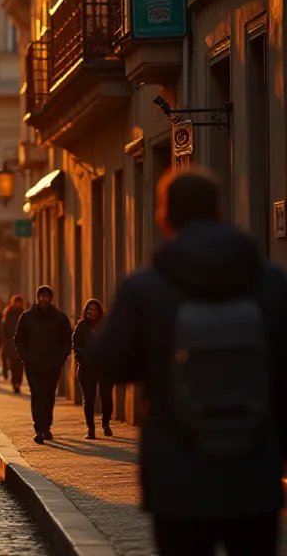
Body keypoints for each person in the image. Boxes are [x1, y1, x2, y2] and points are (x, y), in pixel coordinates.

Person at [89, 169, 287, 555]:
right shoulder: (272, 284)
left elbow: (106, 361)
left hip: (176, 478)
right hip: (254, 473)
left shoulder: (144, 288)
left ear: (164, 219)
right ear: (220, 211)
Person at [13, 285, 71, 444]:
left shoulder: (60, 318)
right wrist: (26, 357)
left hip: (53, 365)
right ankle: (39, 428)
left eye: (47, 297)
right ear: (37, 298)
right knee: (37, 394)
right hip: (33, 365)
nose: (44, 299)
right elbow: (18, 339)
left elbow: (67, 340)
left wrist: (61, 358)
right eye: (42, 296)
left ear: (51, 299)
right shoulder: (27, 317)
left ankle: (47, 426)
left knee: (49, 395)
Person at [72, 299, 111, 440]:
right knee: (89, 399)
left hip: (104, 368)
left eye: (95, 309)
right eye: (89, 309)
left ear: (99, 311)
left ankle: (106, 423)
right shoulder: (81, 326)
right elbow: (76, 346)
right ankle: (91, 429)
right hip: (86, 369)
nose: (92, 312)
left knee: (106, 398)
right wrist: (83, 359)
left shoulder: (106, 326)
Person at [1, 295, 26, 394]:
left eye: (19, 302)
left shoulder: (24, 314)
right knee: (13, 364)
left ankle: (18, 383)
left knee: (20, 365)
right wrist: (5, 341)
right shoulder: (8, 313)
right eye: (16, 302)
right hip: (11, 343)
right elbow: (4, 329)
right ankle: (14, 382)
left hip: (22, 344)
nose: (18, 304)